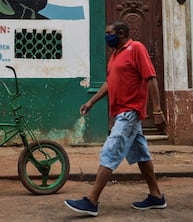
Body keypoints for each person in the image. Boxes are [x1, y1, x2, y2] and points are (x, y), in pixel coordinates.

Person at [64, 21, 168, 217]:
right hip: (122, 112)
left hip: (130, 112)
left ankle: (91, 201)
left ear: (121, 33)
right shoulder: (115, 55)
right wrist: (91, 102)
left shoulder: (136, 48)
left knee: (110, 152)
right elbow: (108, 82)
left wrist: (157, 111)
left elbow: (151, 77)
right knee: (141, 156)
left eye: (109, 33)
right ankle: (156, 196)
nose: (106, 37)